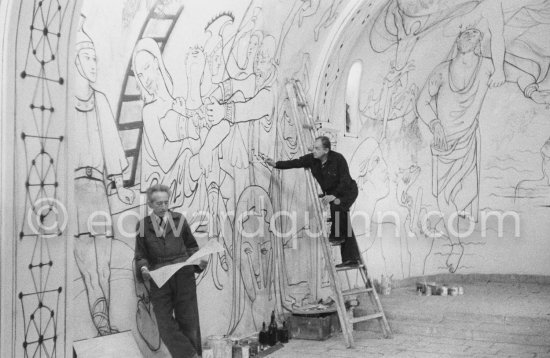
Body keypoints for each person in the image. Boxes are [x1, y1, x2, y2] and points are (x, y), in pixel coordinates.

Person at [73, 16, 135, 336]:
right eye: (88, 57)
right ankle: (99, 318)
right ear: (75, 60)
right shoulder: (66, 103)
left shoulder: (99, 101)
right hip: (74, 190)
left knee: (104, 260)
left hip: (97, 189)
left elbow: (111, 152)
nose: (94, 63)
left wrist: (119, 186)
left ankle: (105, 318)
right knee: (87, 259)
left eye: (96, 57)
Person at [135, 184, 208, 358]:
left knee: (189, 323)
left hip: (184, 275)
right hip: (159, 279)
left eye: (166, 203)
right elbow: (140, 255)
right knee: (165, 324)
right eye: (158, 203)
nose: (163, 207)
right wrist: (144, 269)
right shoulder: (143, 225)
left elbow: (191, 246)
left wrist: (198, 264)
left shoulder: (179, 220)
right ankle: (191, 355)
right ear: (150, 205)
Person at [265, 136, 361, 267]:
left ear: (326, 150)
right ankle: (351, 258)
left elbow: (345, 180)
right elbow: (295, 162)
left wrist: (333, 195)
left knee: (337, 206)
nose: (313, 150)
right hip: (333, 194)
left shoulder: (338, 159)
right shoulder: (312, 159)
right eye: (314, 147)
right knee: (343, 217)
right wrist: (276, 164)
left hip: (347, 191)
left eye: (317, 148)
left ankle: (338, 236)